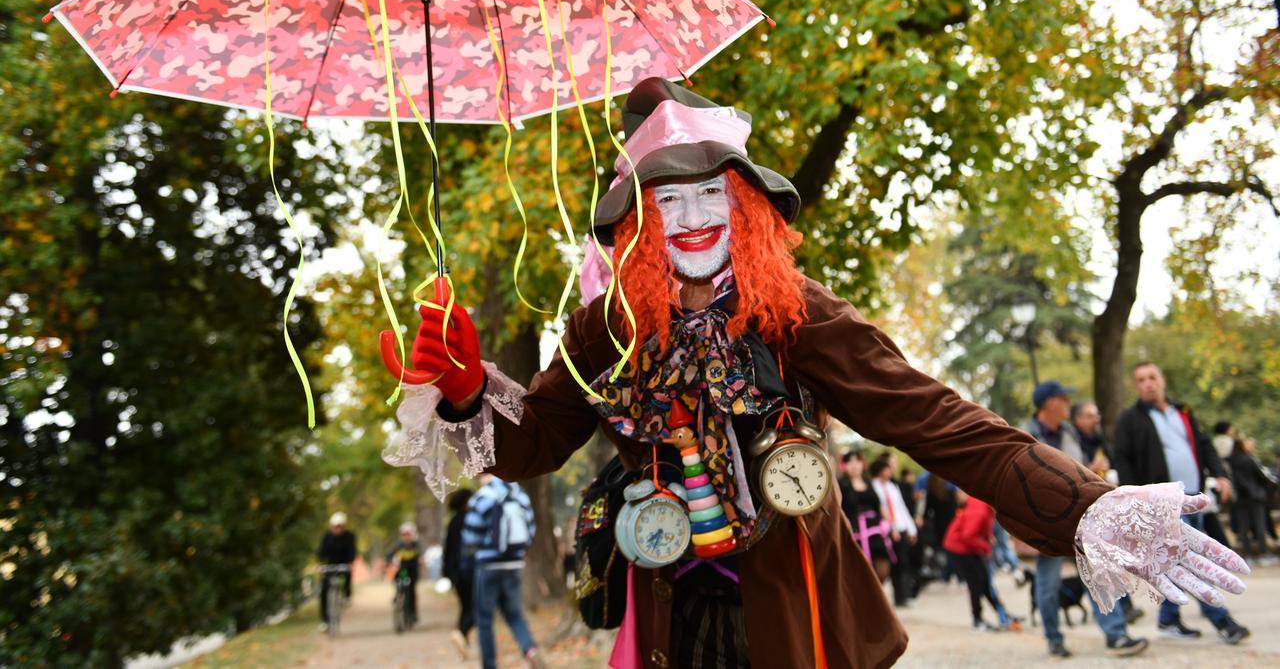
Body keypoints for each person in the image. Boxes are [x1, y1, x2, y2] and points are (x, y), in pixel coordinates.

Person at [383, 77, 1248, 668]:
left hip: (795, 613)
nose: (690, 218)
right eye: (666, 200)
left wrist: (1090, 504)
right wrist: (463, 388)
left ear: (748, 206)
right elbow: (534, 441)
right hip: (668, 616)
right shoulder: (607, 327)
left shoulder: (795, 312)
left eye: (711, 194)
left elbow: (931, 418)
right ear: (636, 221)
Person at [1113, 361, 1251, 645]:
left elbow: (1203, 445)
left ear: (1162, 380)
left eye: (1152, 377)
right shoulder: (1129, 420)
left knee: (1178, 562)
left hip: (1196, 498)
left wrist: (1221, 475)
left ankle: (1168, 619)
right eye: (1141, 380)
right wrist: (1138, 503)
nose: (1148, 383)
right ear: (1135, 386)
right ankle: (1223, 622)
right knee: (1194, 562)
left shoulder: (1183, 411)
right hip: (1164, 504)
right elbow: (1124, 464)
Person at [1022, 381, 1148, 657]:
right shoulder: (1025, 434)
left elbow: (1074, 470)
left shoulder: (1069, 432)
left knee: (1100, 575)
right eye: (1063, 399)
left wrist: (1091, 470)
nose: (1068, 403)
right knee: (1048, 583)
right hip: (1047, 520)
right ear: (1048, 403)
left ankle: (1116, 635)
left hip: (1080, 516)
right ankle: (1054, 638)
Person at [462, 474, 544, 669]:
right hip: (515, 564)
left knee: (484, 619)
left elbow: (470, 536)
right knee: (515, 614)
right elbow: (531, 530)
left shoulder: (482, 497)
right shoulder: (520, 496)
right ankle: (530, 650)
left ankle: (490, 665)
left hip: (488, 566)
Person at [942, 489, 1010, 631]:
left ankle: (1002, 614)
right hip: (958, 547)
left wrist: (988, 536)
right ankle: (977, 620)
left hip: (969, 547)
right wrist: (986, 547)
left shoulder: (984, 506)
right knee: (976, 583)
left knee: (985, 581)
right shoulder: (980, 511)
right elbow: (968, 536)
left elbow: (983, 525)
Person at [837, 450, 893, 583]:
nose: (854, 465)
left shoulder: (869, 483)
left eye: (857, 461)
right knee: (858, 571)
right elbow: (838, 509)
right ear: (845, 466)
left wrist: (889, 524)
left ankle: (876, 597)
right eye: (850, 462)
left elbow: (879, 506)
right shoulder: (841, 485)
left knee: (882, 569)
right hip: (854, 533)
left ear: (862, 464)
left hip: (875, 532)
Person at [871, 453, 918, 607]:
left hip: (901, 529)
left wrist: (911, 529)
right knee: (887, 566)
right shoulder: (873, 487)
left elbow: (901, 509)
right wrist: (891, 529)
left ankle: (902, 596)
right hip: (886, 532)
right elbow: (881, 510)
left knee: (903, 564)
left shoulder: (892, 486)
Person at [1228, 437, 1276, 563]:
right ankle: (1263, 553)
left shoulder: (1231, 460)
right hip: (1255, 496)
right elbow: (1261, 476)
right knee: (1260, 525)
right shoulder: (1249, 459)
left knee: (1243, 527)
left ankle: (1247, 555)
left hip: (1239, 497)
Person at [442, 488, 476, 658]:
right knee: (476, 607)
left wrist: (447, 572)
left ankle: (464, 644)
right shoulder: (469, 519)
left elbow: (447, 549)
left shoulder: (453, 521)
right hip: (468, 570)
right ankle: (461, 633)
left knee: (465, 606)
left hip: (455, 572)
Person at [316, 512, 357, 631]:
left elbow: (352, 551)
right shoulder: (327, 536)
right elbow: (321, 552)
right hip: (329, 566)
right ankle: (325, 621)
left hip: (343, 565)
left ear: (344, 526)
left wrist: (350, 562)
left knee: (347, 575)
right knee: (324, 590)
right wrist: (320, 563)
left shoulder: (349, 536)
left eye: (340, 526)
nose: (337, 529)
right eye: (335, 526)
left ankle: (346, 595)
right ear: (331, 526)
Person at [384, 521, 421, 627]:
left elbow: (422, 554)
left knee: (412, 591)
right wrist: (388, 560)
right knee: (398, 583)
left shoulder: (416, 545)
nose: (406, 537)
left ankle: (412, 613)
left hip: (413, 570)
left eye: (408, 534)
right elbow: (389, 554)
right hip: (402, 570)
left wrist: (422, 560)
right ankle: (398, 595)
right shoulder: (398, 545)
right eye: (404, 534)